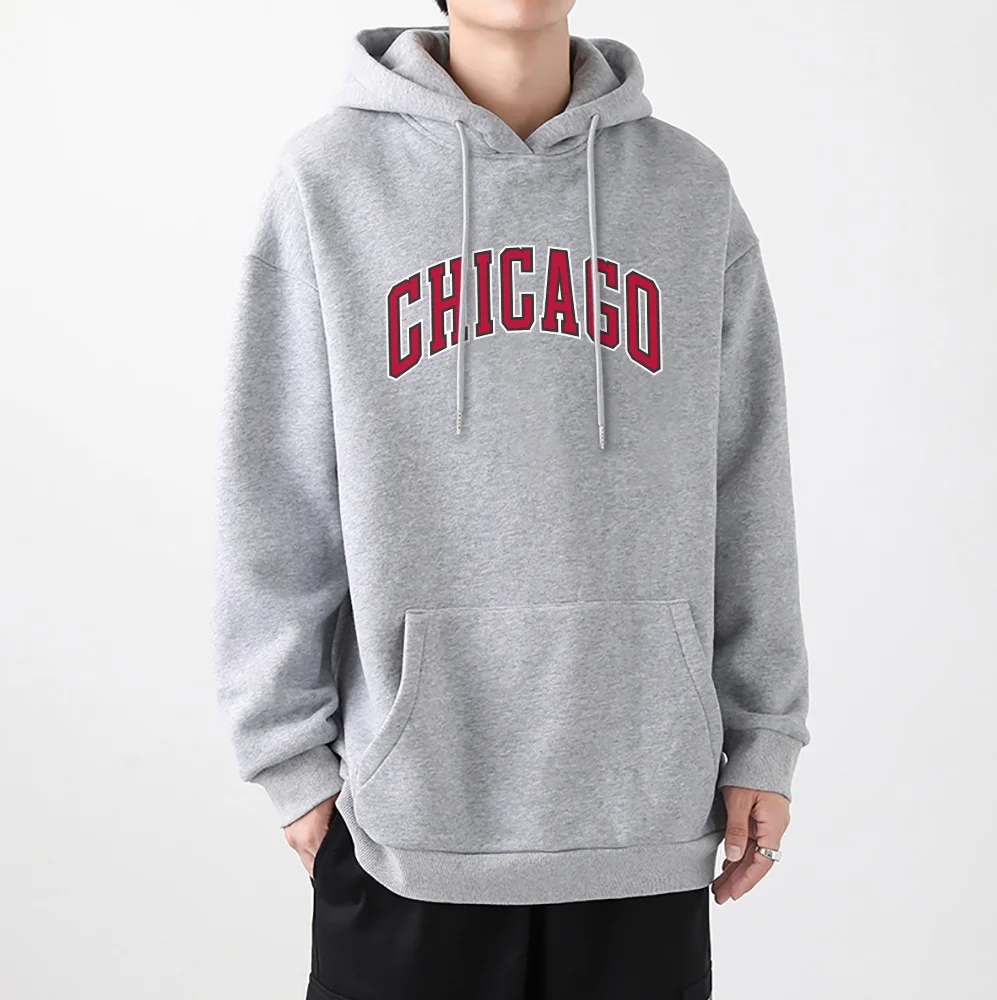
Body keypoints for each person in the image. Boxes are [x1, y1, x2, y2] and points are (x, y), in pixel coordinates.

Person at [211, 1, 811, 997]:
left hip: (643, 816)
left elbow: (747, 479)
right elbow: (276, 485)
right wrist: (289, 762)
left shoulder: (686, 188)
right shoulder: (328, 180)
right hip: (405, 823)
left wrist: (765, 736)